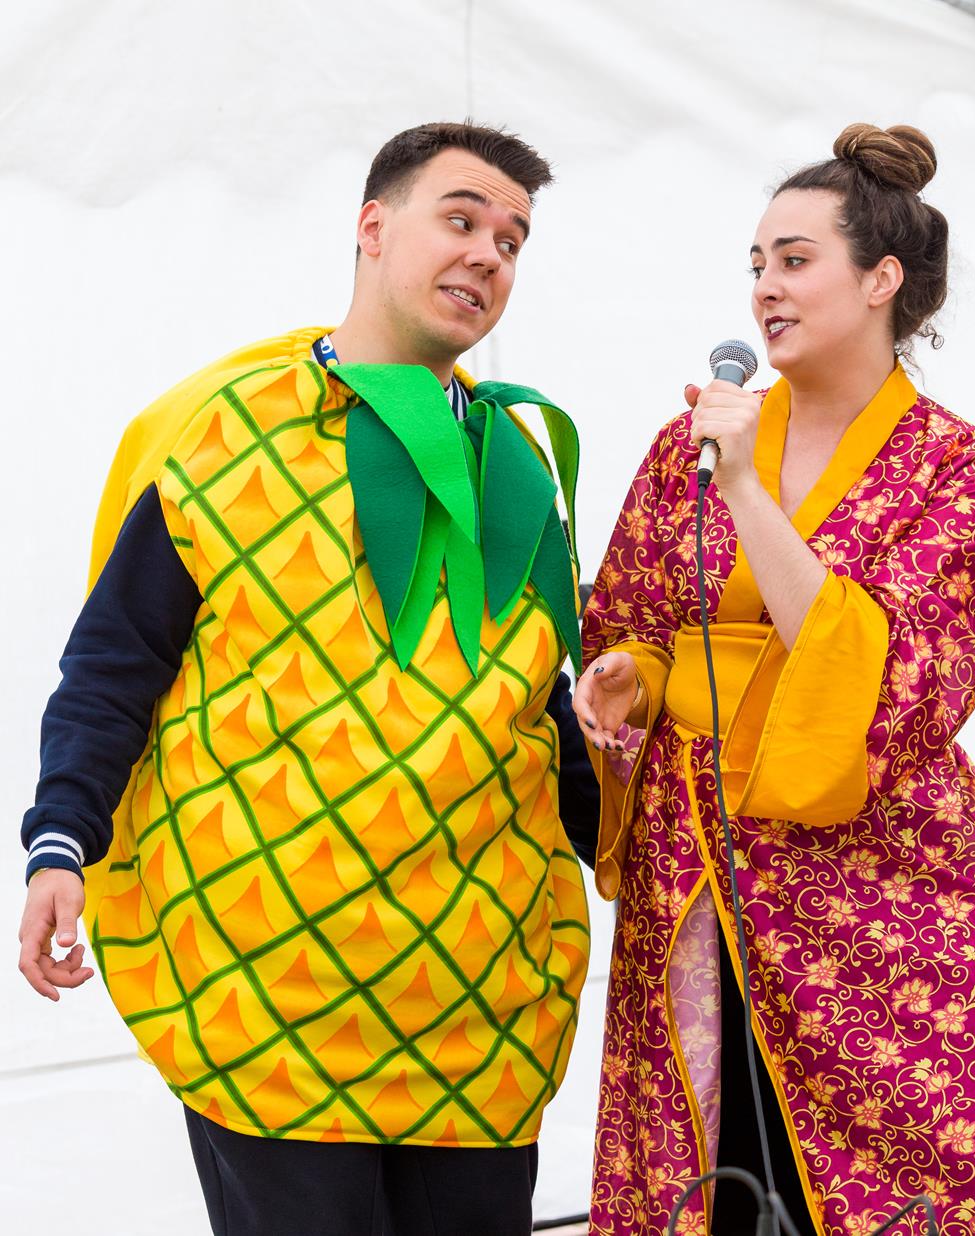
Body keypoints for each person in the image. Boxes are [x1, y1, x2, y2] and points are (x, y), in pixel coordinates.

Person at [18, 121, 598, 1236]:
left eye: (513, 240)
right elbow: (114, 663)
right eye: (462, 218)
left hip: (480, 1008)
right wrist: (60, 841)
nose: (488, 254)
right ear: (373, 227)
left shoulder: (517, 465)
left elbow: (545, 707)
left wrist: (644, 850)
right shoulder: (223, 435)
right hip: (267, 1000)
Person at [575, 123, 975, 1236]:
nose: (765, 288)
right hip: (695, 862)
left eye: (794, 260)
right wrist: (628, 677)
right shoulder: (689, 443)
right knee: (714, 1164)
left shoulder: (961, 470)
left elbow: (893, 680)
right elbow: (635, 618)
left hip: (880, 891)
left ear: (880, 280)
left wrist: (744, 492)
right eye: (756, 265)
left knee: (900, 1184)